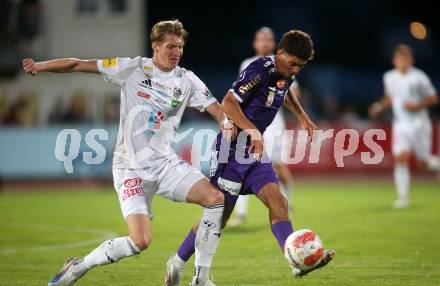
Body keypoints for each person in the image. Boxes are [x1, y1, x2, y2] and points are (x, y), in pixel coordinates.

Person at [23, 19, 236, 286]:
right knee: (141, 241)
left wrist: (226, 123)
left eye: (180, 47)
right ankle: (77, 268)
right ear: (155, 46)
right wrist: (40, 66)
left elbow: (217, 109)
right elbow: (78, 64)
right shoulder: (132, 68)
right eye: (171, 46)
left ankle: (200, 279)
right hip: (130, 167)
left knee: (217, 200)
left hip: (165, 163)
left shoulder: (187, 80)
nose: (177, 52)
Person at [165, 30, 335, 286]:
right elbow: (228, 103)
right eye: (292, 64)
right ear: (279, 54)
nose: (295, 71)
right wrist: (253, 130)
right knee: (219, 217)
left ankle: (296, 262)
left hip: (254, 153)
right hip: (230, 152)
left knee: (279, 202)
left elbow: (285, 90)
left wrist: (303, 117)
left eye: (300, 67)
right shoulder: (259, 69)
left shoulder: (285, 73)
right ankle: (177, 262)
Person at [232, 27, 298, 226]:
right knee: (242, 165)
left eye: (268, 39)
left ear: (273, 44)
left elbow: (294, 93)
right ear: (255, 43)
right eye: (261, 39)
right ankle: (241, 214)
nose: (264, 42)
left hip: (275, 126)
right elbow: (237, 94)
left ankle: (287, 204)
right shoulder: (246, 63)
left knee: (278, 166)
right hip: (251, 124)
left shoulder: (282, 64)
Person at [369, 44, 440, 209]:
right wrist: (379, 106)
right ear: (395, 60)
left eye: (405, 58)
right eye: (399, 58)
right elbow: (389, 97)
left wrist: (416, 106)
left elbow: (433, 98)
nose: (402, 61)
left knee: (423, 164)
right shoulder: (389, 77)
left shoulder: (419, 77)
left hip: (420, 124)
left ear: (410, 60)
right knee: (400, 157)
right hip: (401, 124)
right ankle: (403, 198)